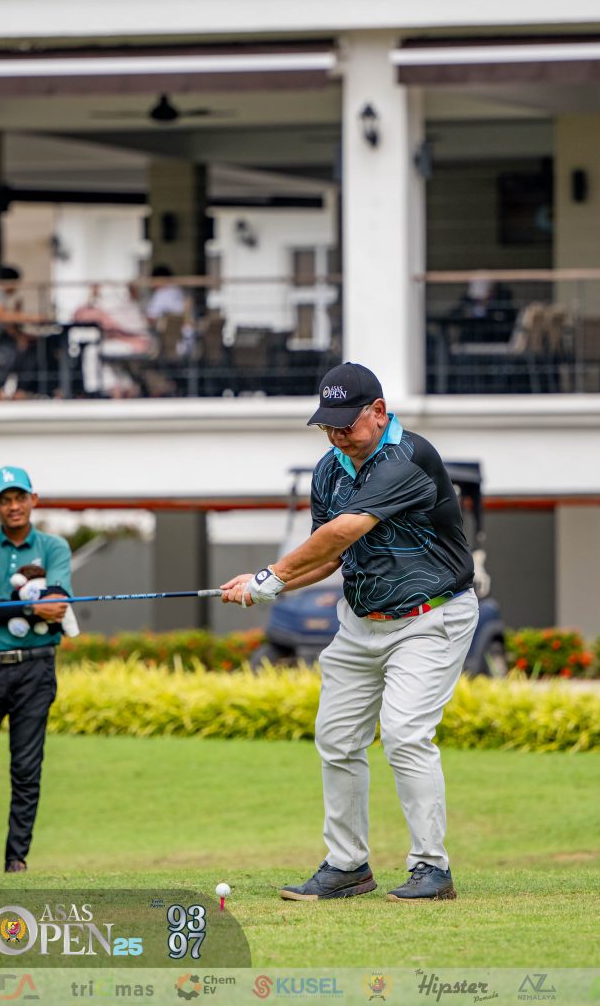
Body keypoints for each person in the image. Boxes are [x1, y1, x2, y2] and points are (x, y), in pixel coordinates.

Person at [221, 362, 479, 902]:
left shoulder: (408, 458)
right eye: (327, 425)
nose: (336, 434)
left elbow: (346, 529)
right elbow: (329, 555)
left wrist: (272, 574)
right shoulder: (328, 471)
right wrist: (267, 586)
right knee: (336, 739)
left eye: (346, 423)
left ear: (379, 411)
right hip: (361, 623)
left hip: (431, 618)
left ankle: (431, 868)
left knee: (405, 733)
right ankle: (347, 866)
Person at [0, 466, 72, 872]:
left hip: (36, 669)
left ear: (34, 500)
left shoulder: (54, 547)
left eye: (20, 498)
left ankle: (16, 859)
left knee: (26, 768)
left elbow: (58, 604)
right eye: (5, 500)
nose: (13, 506)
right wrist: (31, 606)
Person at [0, 266, 44, 399]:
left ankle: (17, 390)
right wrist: (33, 317)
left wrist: (20, 335)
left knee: (23, 347)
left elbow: (5, 325)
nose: (16, 288)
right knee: (10, 353)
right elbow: (1, 316)